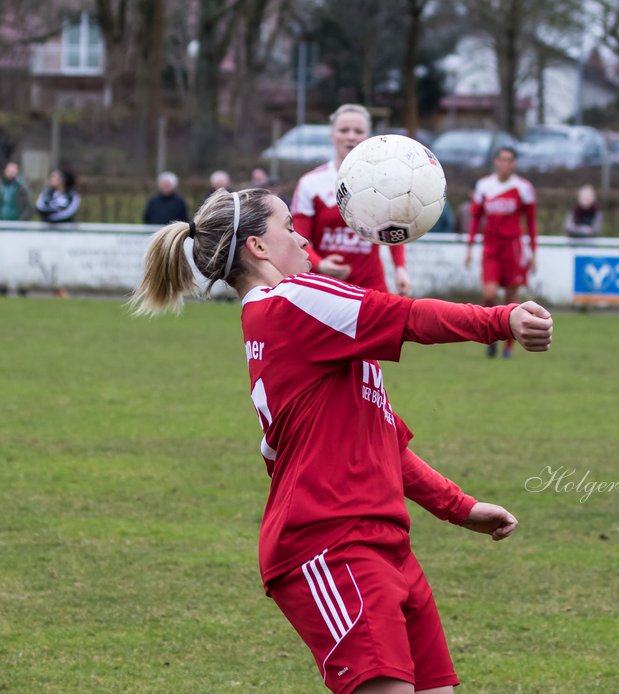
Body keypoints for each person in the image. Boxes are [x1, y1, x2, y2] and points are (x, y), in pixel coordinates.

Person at [130, 188, 553, 694]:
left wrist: (460, 508)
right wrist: (501, 320)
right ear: (259, 248)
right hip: (332, 545)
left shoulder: (289, 320)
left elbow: (383, 441)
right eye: (288, 226)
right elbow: (409, 317)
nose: (303, 236)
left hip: (383, 542)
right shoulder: (291, 300)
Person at [292, 104, 412, 295]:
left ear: (368, 137)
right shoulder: (310, 183)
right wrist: (320, 264)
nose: (351, 136)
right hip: (324, 288)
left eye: (358, 131)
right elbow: (299, 237)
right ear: (332, 134)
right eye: (344, 130)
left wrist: (400, 268)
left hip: (371, 289)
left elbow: (394, 227)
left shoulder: (384, 181)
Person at [464, 146, 538, 359]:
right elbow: (475, 217)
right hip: (491, 248)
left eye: (509, 160)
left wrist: (533, 252)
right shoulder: (484, 186)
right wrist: (469, 247)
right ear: (496, 162)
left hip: (513, 248)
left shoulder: (523, 188)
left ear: (514, 163)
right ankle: (491, 338)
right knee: (489, 295)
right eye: (502, 159)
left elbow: (531, 221)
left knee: (512, 299)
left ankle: (509, 346)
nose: (505, 163)